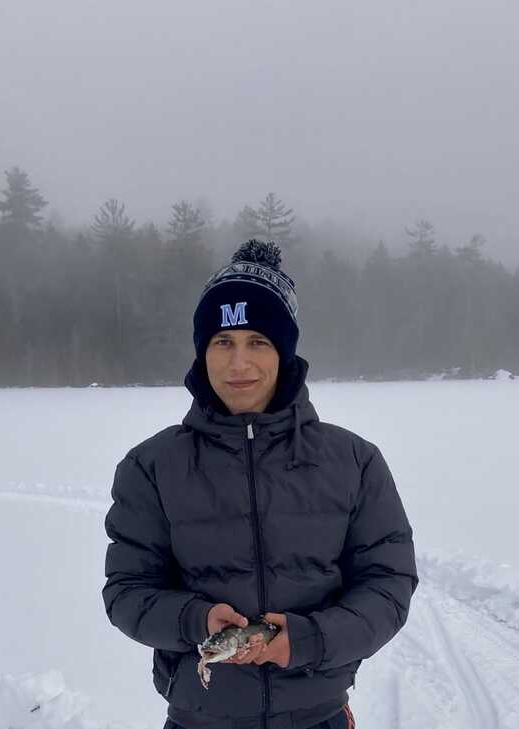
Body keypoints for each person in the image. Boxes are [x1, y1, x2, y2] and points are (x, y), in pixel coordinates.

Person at [103, 240, 418, 729]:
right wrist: (197, 622)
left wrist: (309, 638)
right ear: (201, 352)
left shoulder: (354, 461)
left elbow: (388, 585)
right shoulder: (151, 466)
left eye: (258, 342)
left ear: (285, 352)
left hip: (320, 717)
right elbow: (127, 593)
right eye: (222, 342)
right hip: (198, 717)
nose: (238, 364)